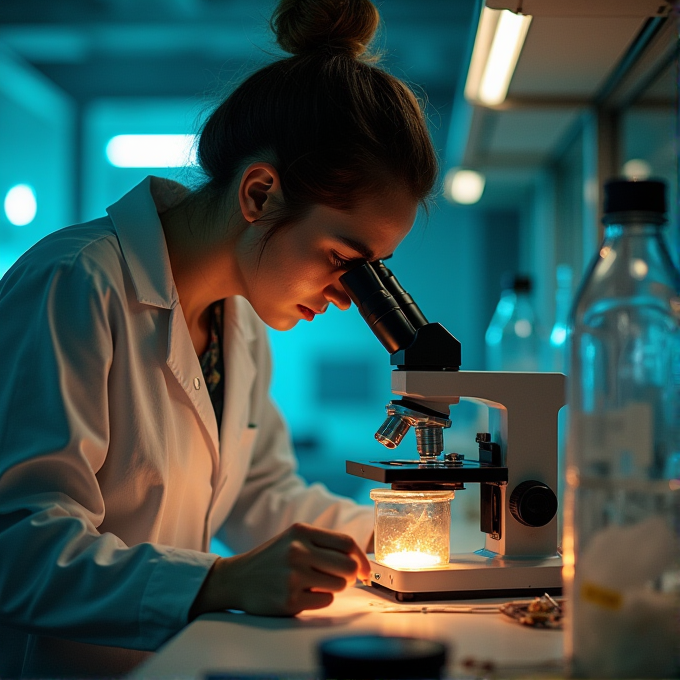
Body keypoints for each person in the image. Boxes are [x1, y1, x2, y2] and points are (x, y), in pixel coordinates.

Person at [0, 0, 438, 676]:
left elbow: (263, 498)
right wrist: (218, 583)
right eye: (342, 260)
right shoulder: (75, 283)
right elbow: (19, 549)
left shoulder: (241, 324)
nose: (351, 298)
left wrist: (414, 533)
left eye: (371, 273)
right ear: (260, 194)